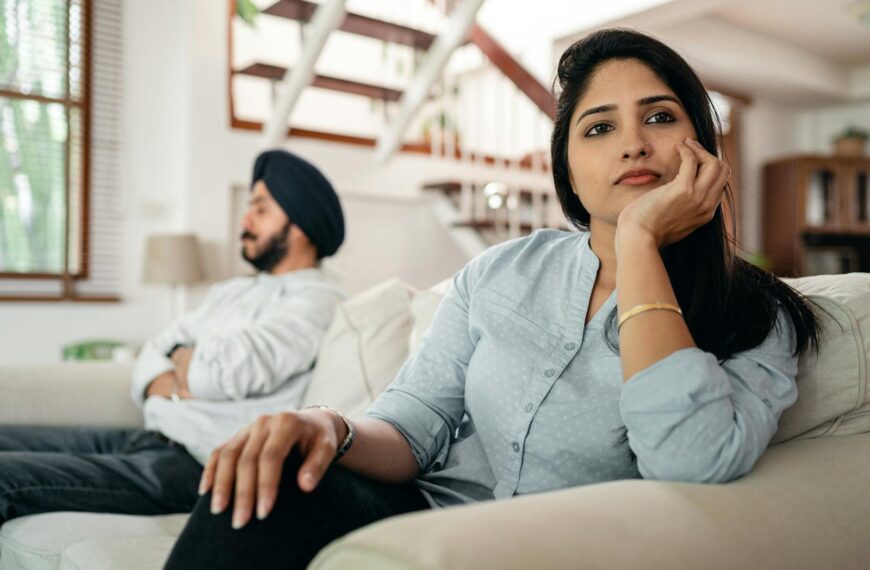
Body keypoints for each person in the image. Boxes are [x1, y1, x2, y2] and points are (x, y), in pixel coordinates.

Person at [165, 29, 824, 569]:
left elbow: (689, 458)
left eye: (659, 116)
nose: (632, 143)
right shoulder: (500, 271)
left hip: (559, 550)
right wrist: (327, 426)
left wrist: (641, 240)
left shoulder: (757, 313)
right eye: (597, 128)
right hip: (420, 517)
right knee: (264, 481)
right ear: (566, 165)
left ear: (702, 148)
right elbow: (414, 422)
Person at [0, 149, 346, 524]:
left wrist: (183, 365)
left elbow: (220, 374)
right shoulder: (230, 291)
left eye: (260, 209)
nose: (244, 220)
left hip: (194, 464)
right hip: (148, 436)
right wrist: (185, 371)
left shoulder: (318, 300)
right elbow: (153, 352)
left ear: (301, 226)